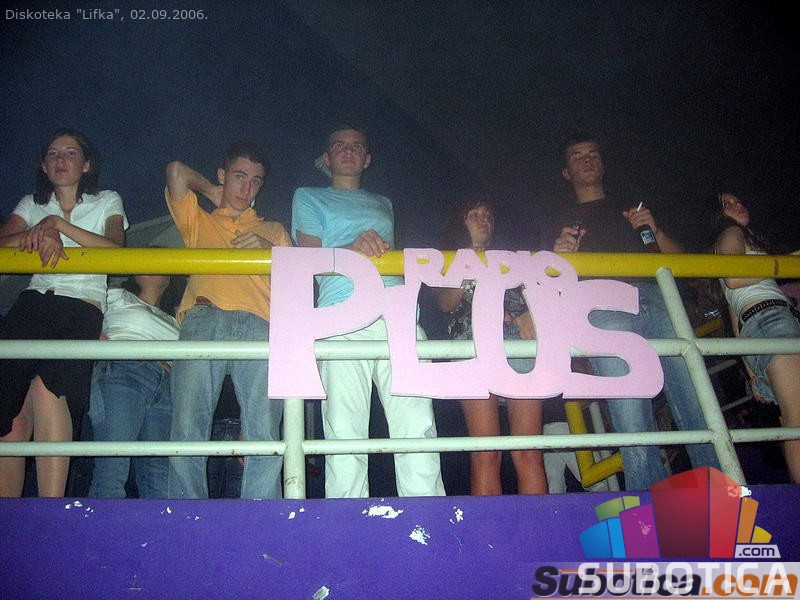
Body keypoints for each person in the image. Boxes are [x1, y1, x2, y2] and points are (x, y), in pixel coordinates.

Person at [549, 133, 719, 490]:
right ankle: (648, 506)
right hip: (602, 305)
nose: (587, 159)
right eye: (577, 156)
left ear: (603, 164)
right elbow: (549, 287)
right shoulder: (559, 220)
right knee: (631, 416)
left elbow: (683, 264)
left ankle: (720, 499)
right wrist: (559, 258)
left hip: (657, 298)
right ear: (566, 172)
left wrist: (655, 230)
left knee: (695, 399)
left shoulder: (632, 210)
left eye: (593, 154)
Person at [292, 125, 445, 498]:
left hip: (397, 311)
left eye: (357, 146)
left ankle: (427, 513)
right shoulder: (308, 196)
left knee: (418, 423)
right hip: (341, 313)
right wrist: (351, 248)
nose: (348, 151)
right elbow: (306, 260)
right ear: (326, 158)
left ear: (367, 158)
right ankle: (347, 520)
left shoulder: (383, 203)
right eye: (339, 146)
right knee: (344, 427)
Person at [0, 129, 127, 497]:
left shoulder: (107, 200)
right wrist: (39, 233)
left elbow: (116, 250)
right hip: (33, 302)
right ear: (43, 165)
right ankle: (7, 511)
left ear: (86, 164)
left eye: (71, 153)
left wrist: (57, 225)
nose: (61, 160)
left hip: (81, 304)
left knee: (48, 390)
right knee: (9, 406)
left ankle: (51, 506)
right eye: (53, 153)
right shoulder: (31, 203)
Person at [165, 142, 289, 500]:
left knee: (264, 428)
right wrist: (211, 191)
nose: (246, 188)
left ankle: (262, 514)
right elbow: (176, 170)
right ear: (223, 175)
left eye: (255, 181)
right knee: (187, 425)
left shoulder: (274, 230)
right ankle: (188, 515)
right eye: (238, 176)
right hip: (203, 316)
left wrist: (270, 252)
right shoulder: (199, 220)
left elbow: (299, 285)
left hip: (260, 322)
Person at [436, 199, 547, 495]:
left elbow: (538, 294)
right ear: (460, 223)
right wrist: (467, 262)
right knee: (486, 452)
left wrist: (531, 313)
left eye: (488, 215)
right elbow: (445, 303)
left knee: (528, 451)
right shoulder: (449, 259)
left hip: (517, 340)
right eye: (474, 214)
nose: (483, 219)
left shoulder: (512, 259)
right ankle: (488, 527)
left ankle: (537, 524)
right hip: (471, 341)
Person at [711, 192, 800, 482]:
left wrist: (752, 373)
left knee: (792, 419)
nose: (738, 205)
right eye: (728, 204)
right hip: (769, 320)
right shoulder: (731, 233)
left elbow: (735, 318)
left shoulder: (729, 242)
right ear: (718, 215)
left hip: (763, 324)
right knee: (797, 419)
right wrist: (788, 262)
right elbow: (734, 278)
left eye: (738, 201)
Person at [88, 274, 181, 498]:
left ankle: (158, 523)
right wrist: (92, 334)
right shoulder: (117, 295)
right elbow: (80, 312)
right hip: (125, 370)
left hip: (166, 383)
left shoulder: (175, 319)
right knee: (113, 469)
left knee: (159, 477)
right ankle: (99, 522)